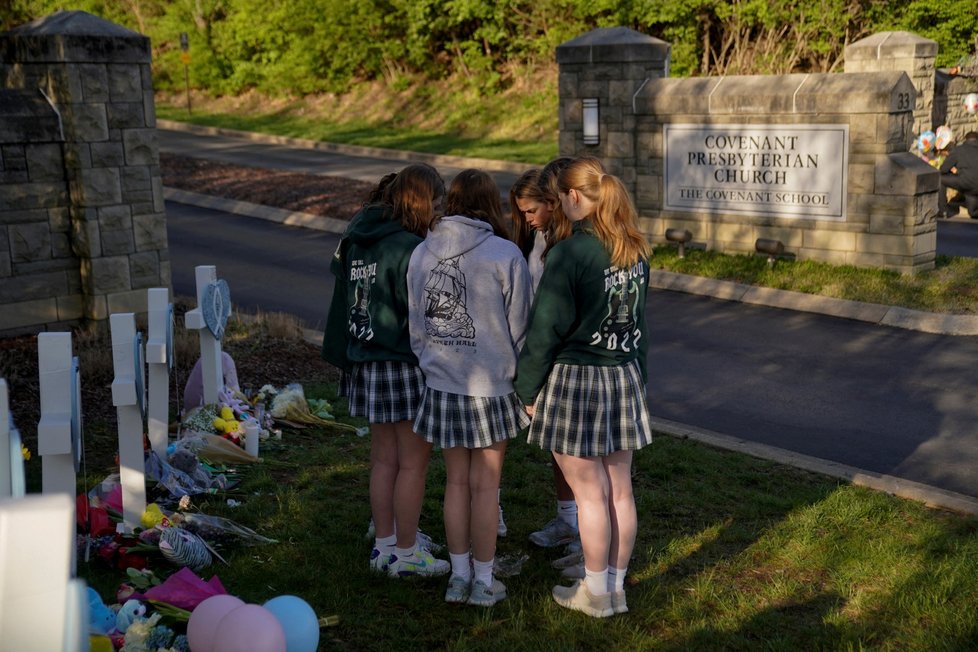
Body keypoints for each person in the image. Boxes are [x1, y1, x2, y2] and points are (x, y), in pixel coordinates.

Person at [515, 156, 653, 618]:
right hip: (624, 375)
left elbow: (545, 328)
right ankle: (614, 589)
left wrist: (527, 388)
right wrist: (640, 377)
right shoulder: (634, 246)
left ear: (574, 198)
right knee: (620, 491)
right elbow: (640, 324)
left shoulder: (570, 253)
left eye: (559, 198)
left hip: (578, 378)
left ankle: (594, 593)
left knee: (590, 494)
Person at [407, 168, 532, 606]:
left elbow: (416, 325)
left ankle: (458, 577)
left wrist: (432, 364)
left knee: (455, 483)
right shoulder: (506, 255)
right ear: (490, 204)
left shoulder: (422, 252)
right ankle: (483, 581)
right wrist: (514, 372)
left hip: (442, 383)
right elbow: (521, 328)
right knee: (486, 487)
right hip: (492, 386)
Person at [322, 163, 450, 578]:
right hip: (403, 362)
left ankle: (385, 544)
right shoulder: (411, 248)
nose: (438, 210)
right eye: (435, 201)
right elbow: (422, 317)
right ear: (419, 199)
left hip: (365, 359)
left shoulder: (359, 238)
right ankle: (408, 554)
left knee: (383, 461)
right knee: (412, 463)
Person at [509, 160, 582, 553]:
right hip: (544, 355)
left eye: (532, 210)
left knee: (578, 453)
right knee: (558, 446)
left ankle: (588, 533)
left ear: (554, 202)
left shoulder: (569, 247)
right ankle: (568, 519)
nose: (528, 219)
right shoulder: (539, 239)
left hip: (564, 358)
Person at [939, 131, 978, 219]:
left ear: (966, 140)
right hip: (973, 189)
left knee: (939, 179)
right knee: (973, 212)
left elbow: (943, 169)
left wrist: (956, 173)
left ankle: (943, 210)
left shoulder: (958, 150)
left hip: (966, 183)